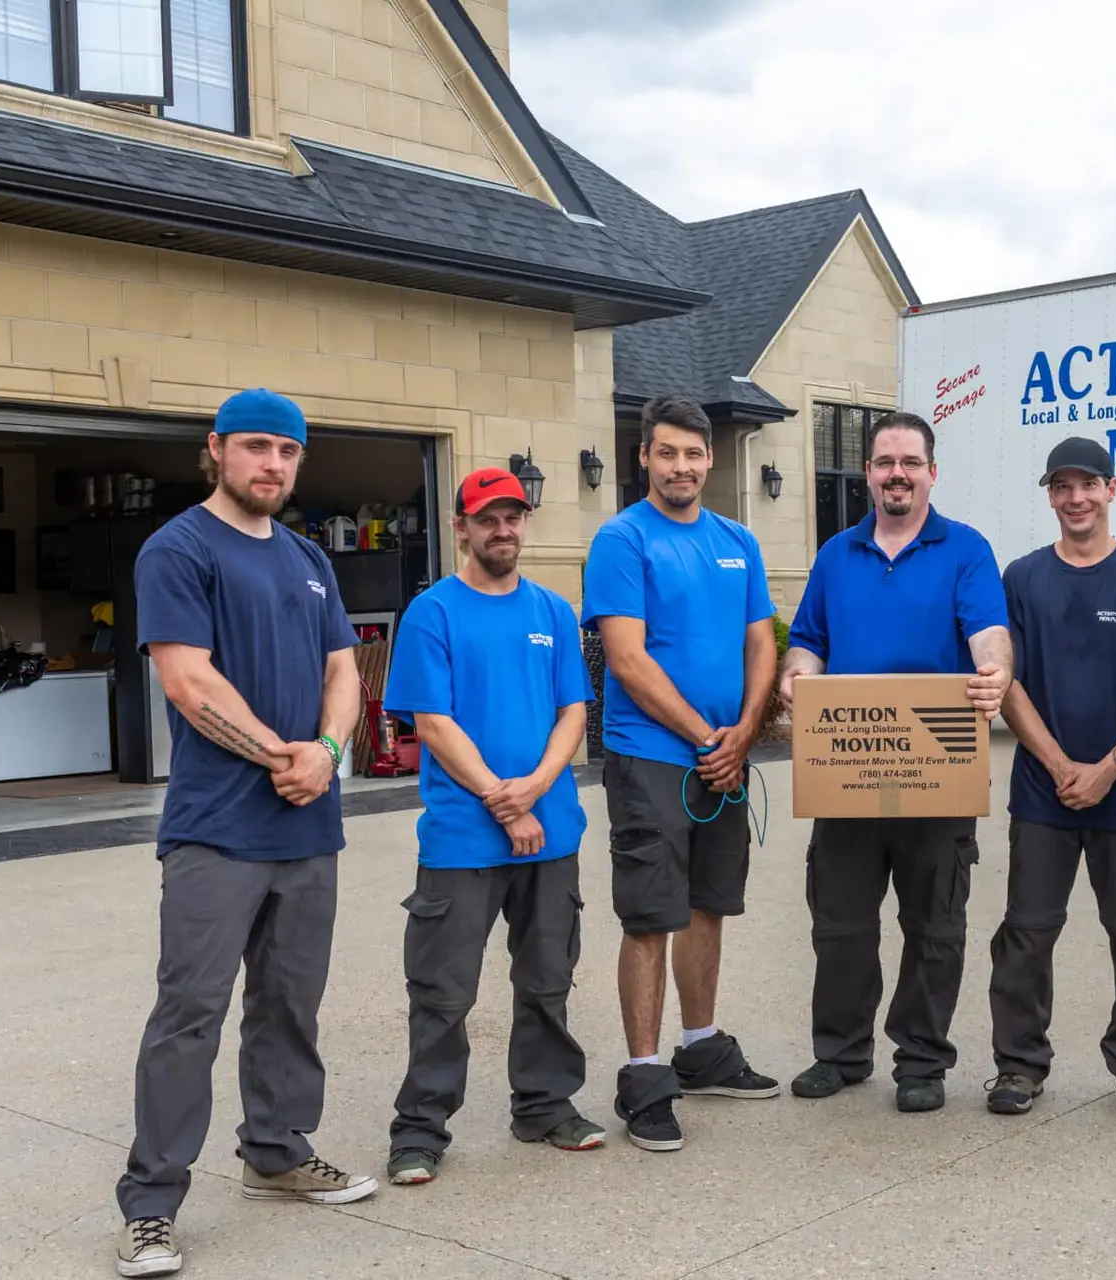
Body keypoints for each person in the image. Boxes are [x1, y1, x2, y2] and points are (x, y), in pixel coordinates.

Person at [116, 389, 375, 1279]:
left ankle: (275, 1151)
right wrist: (284, 758)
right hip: (217, 831)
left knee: (289, 1004)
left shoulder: (309, 559)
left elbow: (346, 666)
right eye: (258, 447)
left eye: (289, 451)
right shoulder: (178, 549)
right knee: (189, 1015)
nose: (274, 464)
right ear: (217, 450)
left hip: (309, 830)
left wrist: (331, 751)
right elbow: (187, 680)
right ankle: (151, 1205)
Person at [779, 410, 1012, 1114]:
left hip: (936, 768)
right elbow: (808, 640)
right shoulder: (835, 556)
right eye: (885, 463)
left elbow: (989, 635)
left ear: (931, 473)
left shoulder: (965, 550)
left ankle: (921, 1061)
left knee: (934, 927)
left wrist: (995, 674)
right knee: (841, 925)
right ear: (869, 474)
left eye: (910, 462)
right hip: (849, 771)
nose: (897, 474)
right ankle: (842, 1055)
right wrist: (796, 677)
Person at [380, 466, 599, 1186]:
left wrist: (535, 790)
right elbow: (433, 723)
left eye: (513, 516)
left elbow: (574, 711)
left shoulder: (553, 612)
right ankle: (420, 1129)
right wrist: (504, 803)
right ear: (463, 529)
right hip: (462, 836)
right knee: (443, 991)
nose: (503, 530)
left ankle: (544, 1105)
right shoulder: (433, 613)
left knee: (546, 980)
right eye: (488, 518)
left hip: (552, 831)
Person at [580, 393, 781, 1153]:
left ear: (710, 459)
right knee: (651, 916)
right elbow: (627, 659)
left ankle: (701, 1049)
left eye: (694, 454)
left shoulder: (738, 540)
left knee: (707, 906)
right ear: (644, 457)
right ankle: (644, 1076)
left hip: (722, 759)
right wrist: (707, 739)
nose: (682, 466)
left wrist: (744, 733)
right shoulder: (622, 539)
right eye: (667, 452)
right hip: (654, 759)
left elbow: (759, 643)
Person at [985, 437, 1116, 1121]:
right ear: (1049, 495)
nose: (1075, 499)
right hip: (1043, 795)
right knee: (1026, 932)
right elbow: (1006, 682)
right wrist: (1063, 766)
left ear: (1111, 490)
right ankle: (1018, 1065)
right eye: (1061, 487)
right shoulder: (1022, 579)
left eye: (1087, 485)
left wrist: (1105, 770)